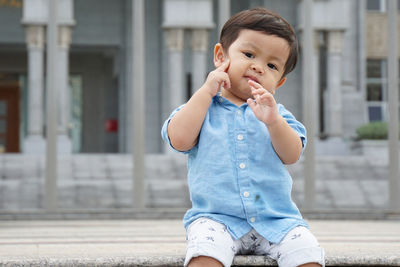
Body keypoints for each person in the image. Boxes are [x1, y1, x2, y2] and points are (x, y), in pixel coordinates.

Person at [161, 7, 325, 267]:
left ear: (279, 82)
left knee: (306, 252)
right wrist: (206, 92)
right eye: (249, 54)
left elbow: (292, 154)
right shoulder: (202, 109)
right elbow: (179, 140)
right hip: (217, 219)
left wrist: (273, 122)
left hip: (277, 221)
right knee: (204, 255)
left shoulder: (277, 115)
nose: (257, 67)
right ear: (220, 56)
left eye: (271, 65)